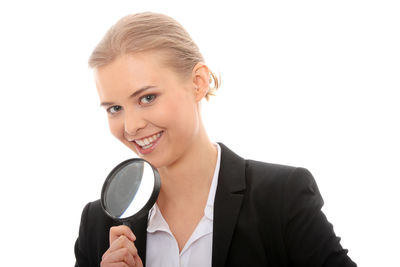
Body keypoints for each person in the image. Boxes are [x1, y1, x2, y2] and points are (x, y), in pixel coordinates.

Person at [74, 12, 356, 267]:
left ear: (198, 82)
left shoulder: (281, 198)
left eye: (147, 98)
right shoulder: (98, 225)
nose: (131, 126)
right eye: (114, 108)